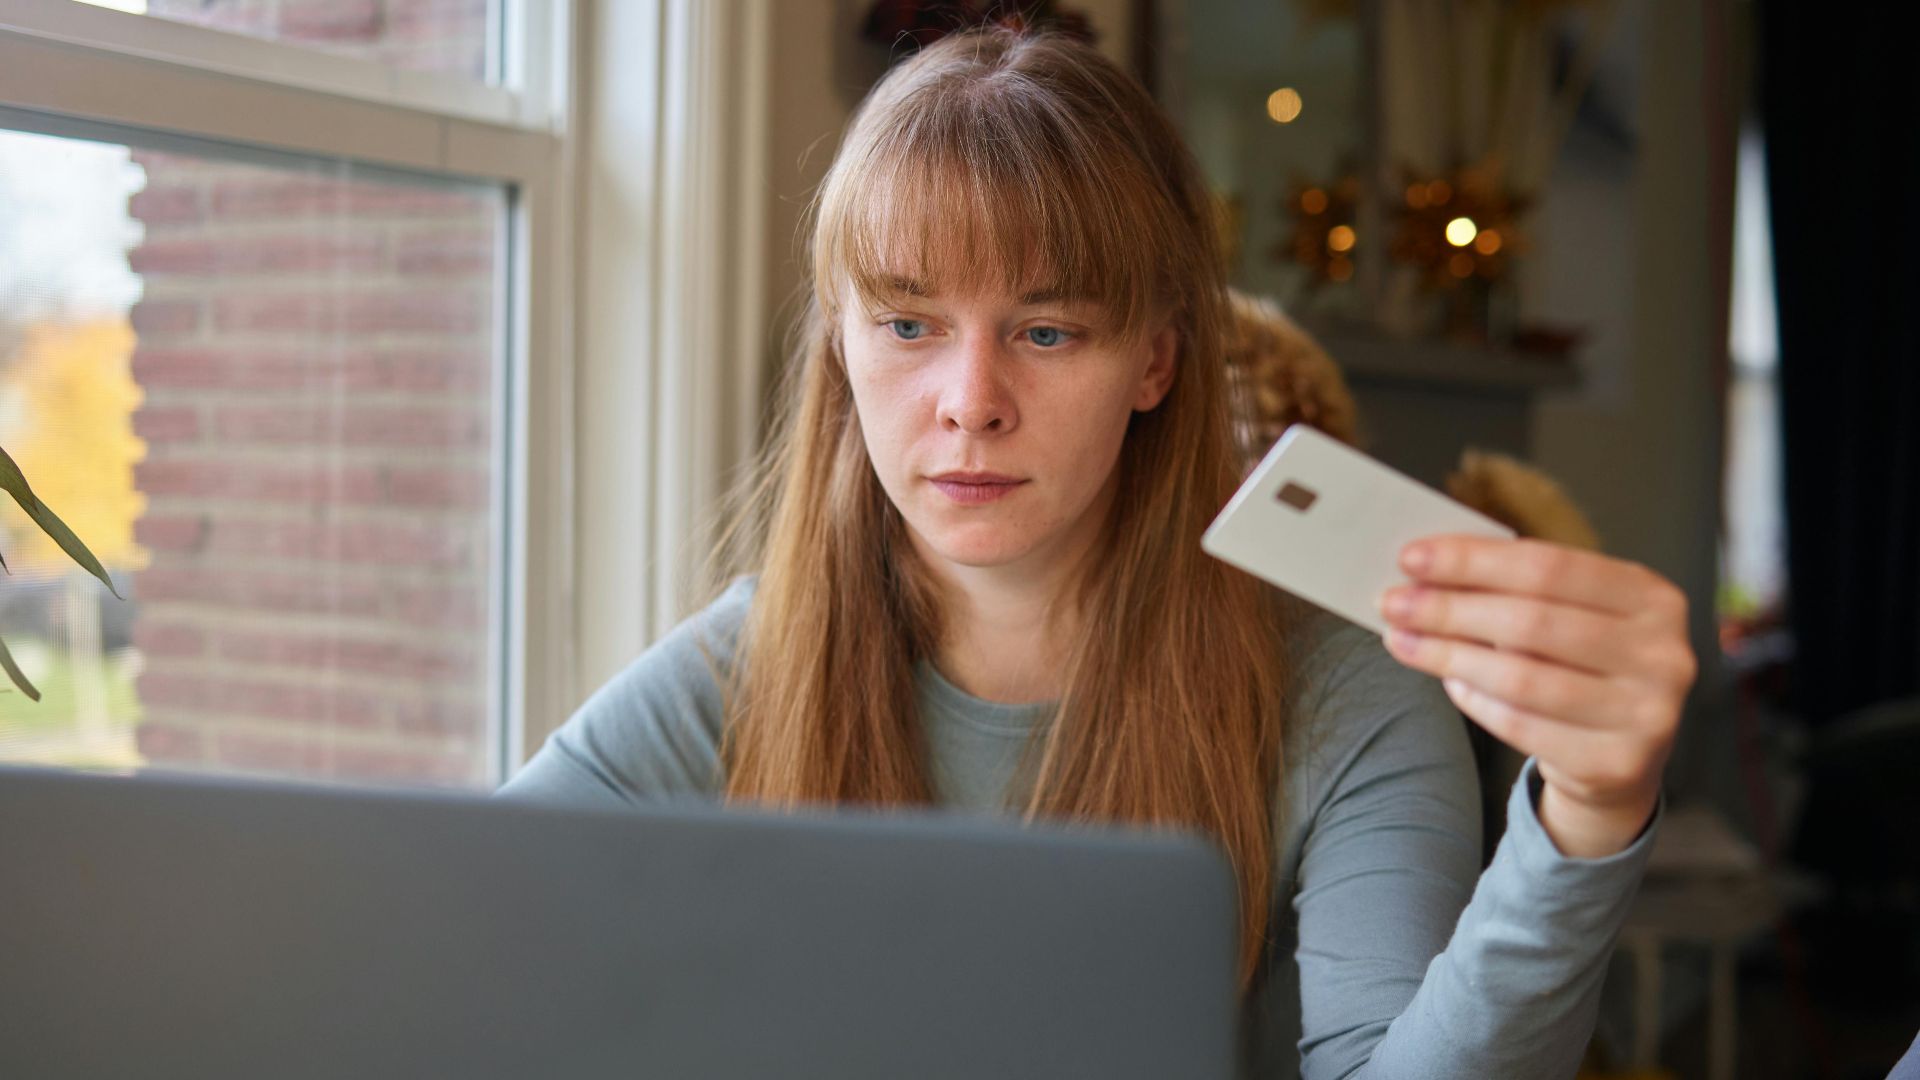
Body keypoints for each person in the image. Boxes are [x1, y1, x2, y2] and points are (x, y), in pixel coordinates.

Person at [499, 28, 1697, 1079]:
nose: (971, 400)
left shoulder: (1343, 698)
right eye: (909, 323)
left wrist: (1588, 818)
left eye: (1047, 329)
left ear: (1157, 365)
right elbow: (468, 925)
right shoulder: (750, 663)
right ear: (843, 350)